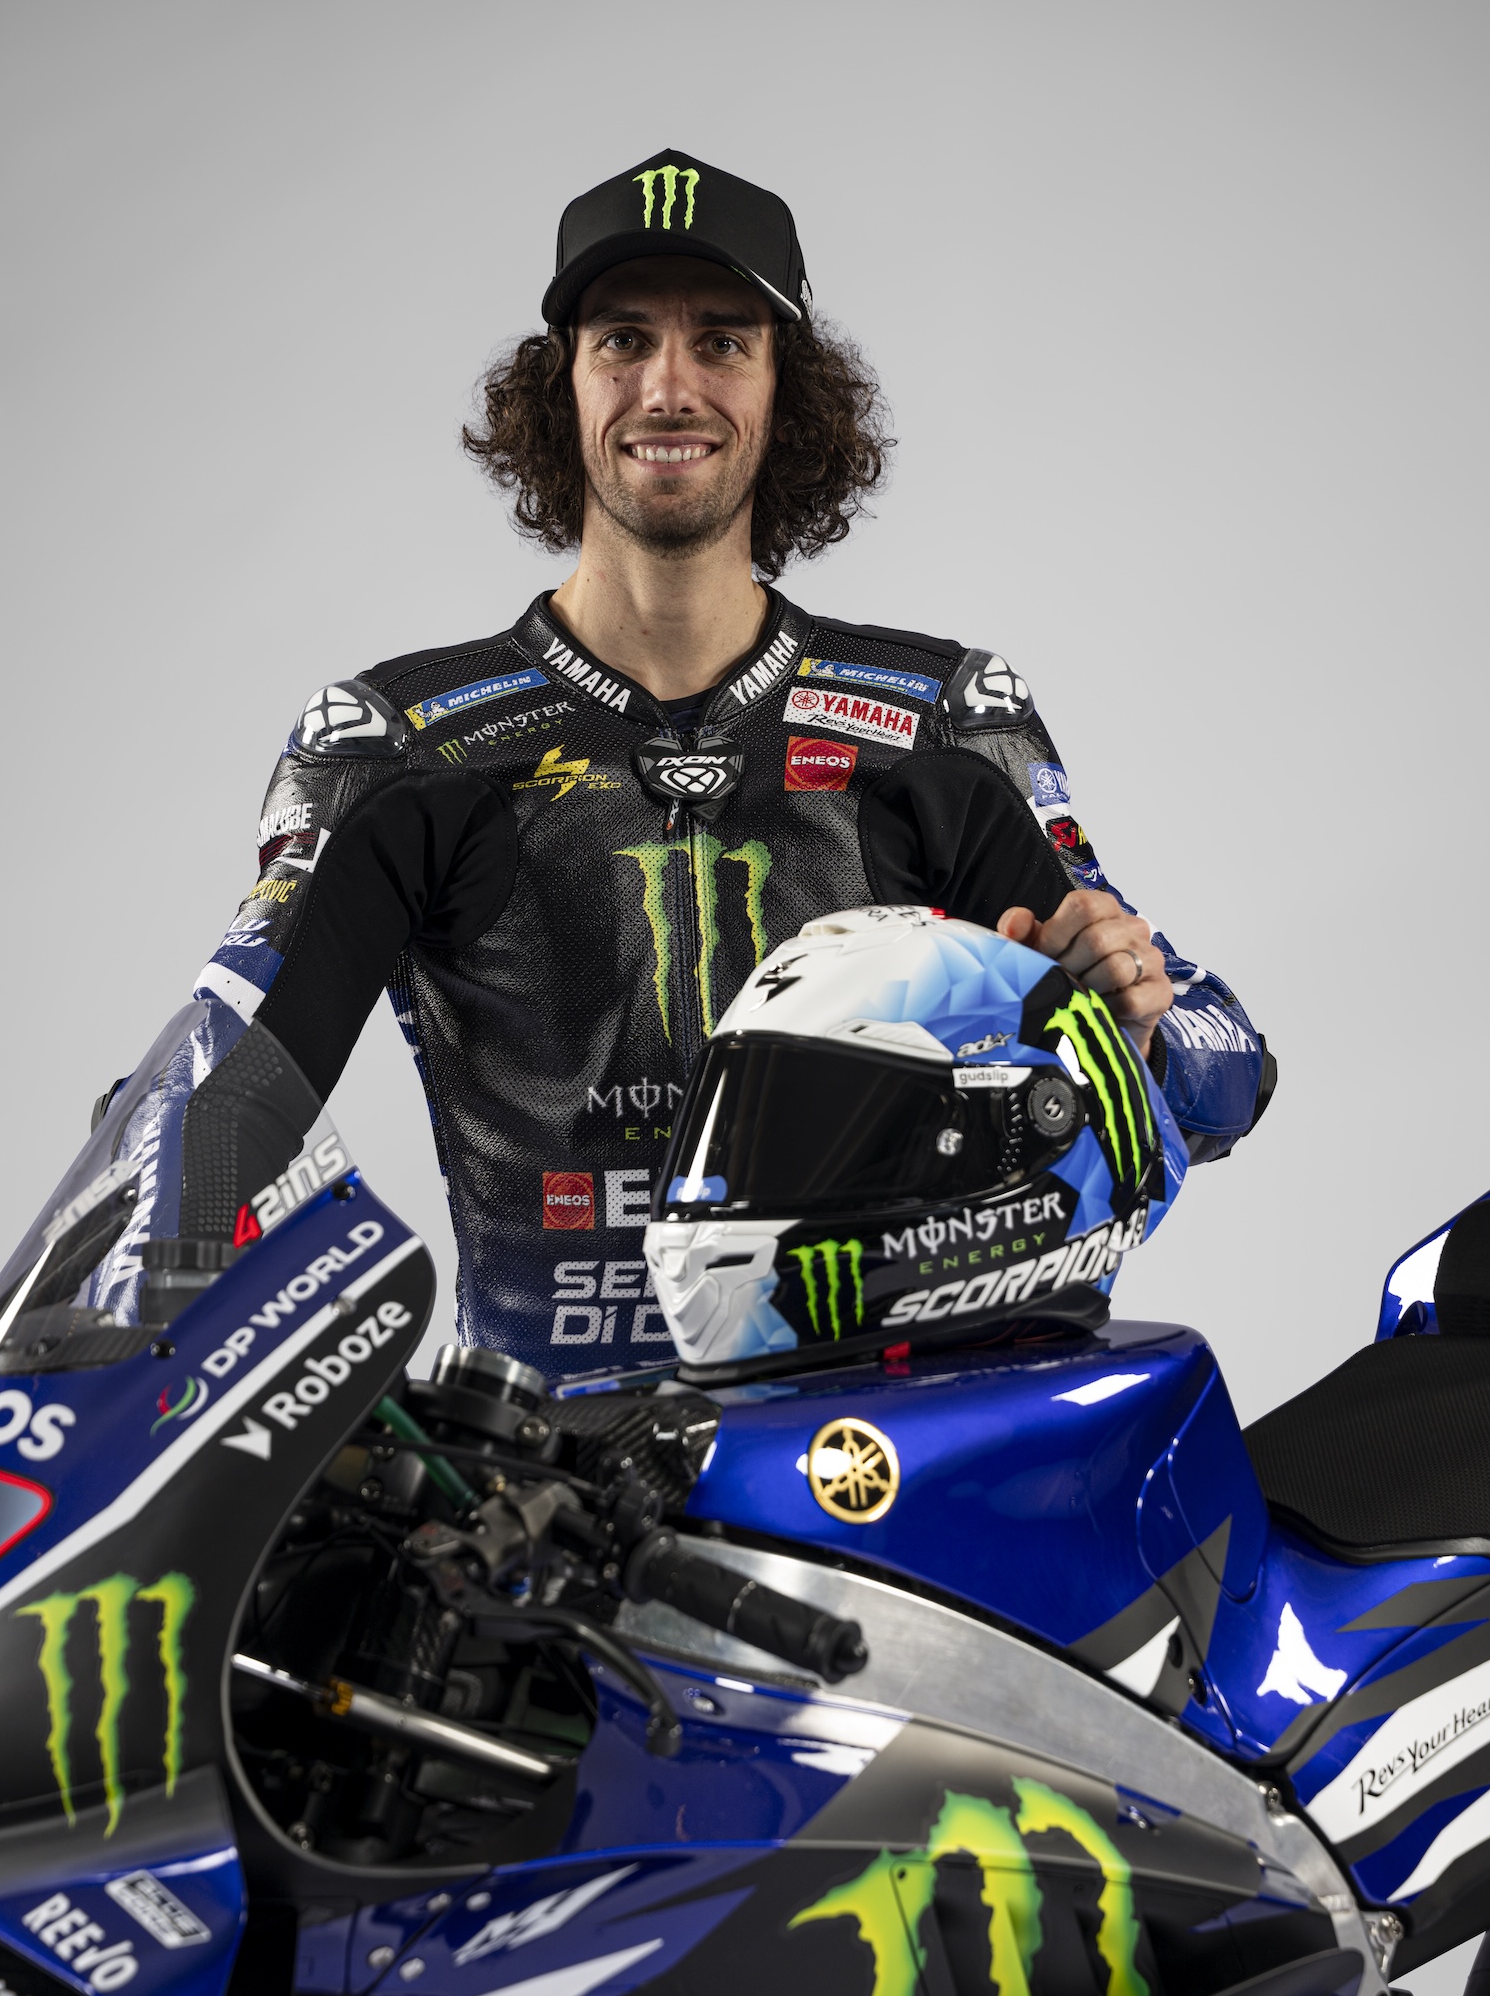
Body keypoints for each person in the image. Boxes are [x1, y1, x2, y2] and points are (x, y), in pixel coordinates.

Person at [181, 148, 1273, 1376]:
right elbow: (219, 1096)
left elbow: (1227, 1067)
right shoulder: (400, 742)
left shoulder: (939, 721)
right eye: (622, 340)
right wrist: (143, 1240)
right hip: (527, 1471)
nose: (668, 388)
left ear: (785, 390)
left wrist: (1133, 1022)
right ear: (560, 385)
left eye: (721, 343)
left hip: (872, 1448)